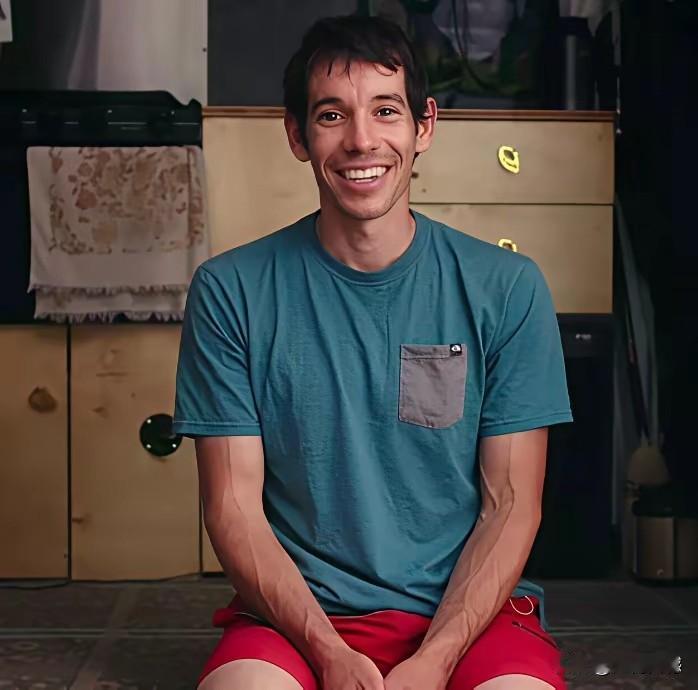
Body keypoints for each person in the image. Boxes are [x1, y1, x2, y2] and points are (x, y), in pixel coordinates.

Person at [173, 14, 573, 690]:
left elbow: (511, 504)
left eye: (386, 110)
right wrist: (326, 650)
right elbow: (232, 507)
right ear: (297, 136)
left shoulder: (506, 288)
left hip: (469, 617)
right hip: (297, 618)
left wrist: (437, 657)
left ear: (424, 126)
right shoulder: (230, 291)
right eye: (332, 115)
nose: (362, 140)